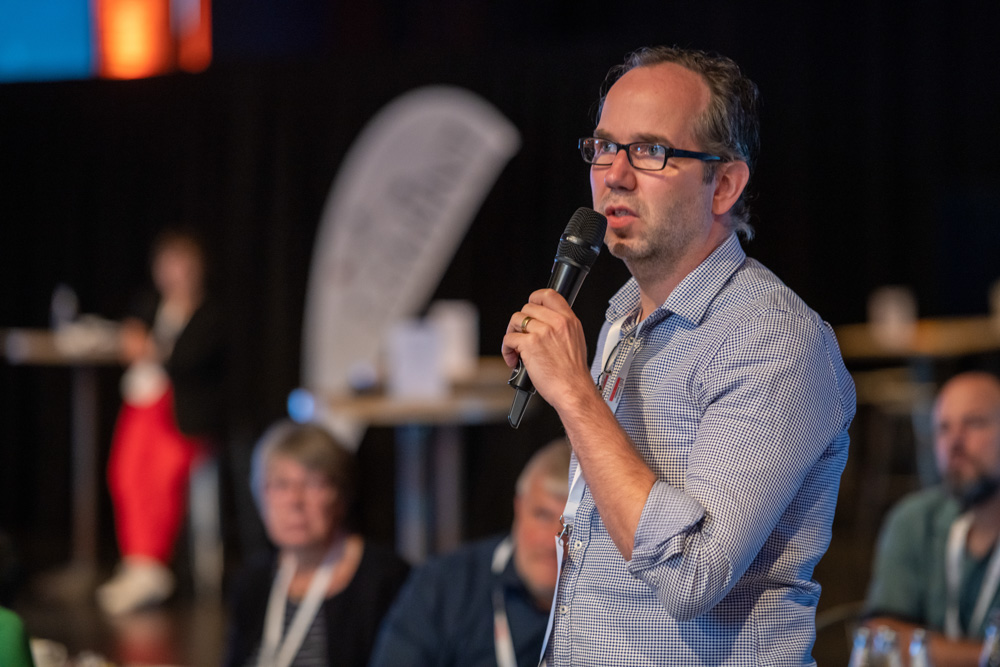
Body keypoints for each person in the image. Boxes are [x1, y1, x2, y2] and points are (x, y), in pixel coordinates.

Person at [501, 46, 856, 665]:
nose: (614, 173)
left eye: (650, 151)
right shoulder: (620, 317)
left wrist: (575, 393)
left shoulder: (773, 339)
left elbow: (691, 576)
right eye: (604, 147)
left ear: (724, 184)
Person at [97, 228, 227, 615]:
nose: (177, 274)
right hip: (141, 408)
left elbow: (187, 360)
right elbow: (128, 342)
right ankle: (137, 562)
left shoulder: (211, 313)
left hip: (184, 418)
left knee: (160, 477)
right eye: (169, 265)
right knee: (124, 474)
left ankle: (153, 564)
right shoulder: (149, 303)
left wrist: (152, 349)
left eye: (184, 265)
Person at [369, 439, 571, 667]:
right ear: (518, 507)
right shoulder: (445, 584)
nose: (554, 540)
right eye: (542, 515)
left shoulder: (612, 598)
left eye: (572, 525)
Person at [223, 421, 409, 667]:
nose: (294, 501)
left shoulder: (384, 580)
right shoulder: (253, 581)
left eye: (313, 484)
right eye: (280, 485)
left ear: (342, 495)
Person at [864, 371, 1000, 666]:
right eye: (943, 428)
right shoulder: (913, 519)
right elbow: (881, 641)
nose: (955, 442)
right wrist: (988, 656)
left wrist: (927, 647)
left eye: (974, 423)